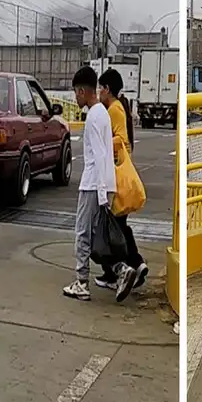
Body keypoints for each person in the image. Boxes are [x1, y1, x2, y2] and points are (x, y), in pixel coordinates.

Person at [62, 66, 139, 303]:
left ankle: (82, 282)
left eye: (76, 92)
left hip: (92, 185)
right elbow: (107, 154)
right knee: (98, 237)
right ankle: (120, 269)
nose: (75, 97)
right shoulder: (103, 114)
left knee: (83, 233)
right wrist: (107, 190)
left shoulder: (94, 117)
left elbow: (99, 155)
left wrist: (102, 191)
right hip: (102, 185)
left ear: (84, 91)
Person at [95, 68, 150, 291]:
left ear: (107, 89)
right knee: (119, 226)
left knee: (111, 228)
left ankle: (119, 270)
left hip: (116, 175)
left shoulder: (114, 110)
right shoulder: (116, 108)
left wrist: (103, 141)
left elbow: (121, 139)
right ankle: (136, 264)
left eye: (100, 88)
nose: (98, 92)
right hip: (119, 171)